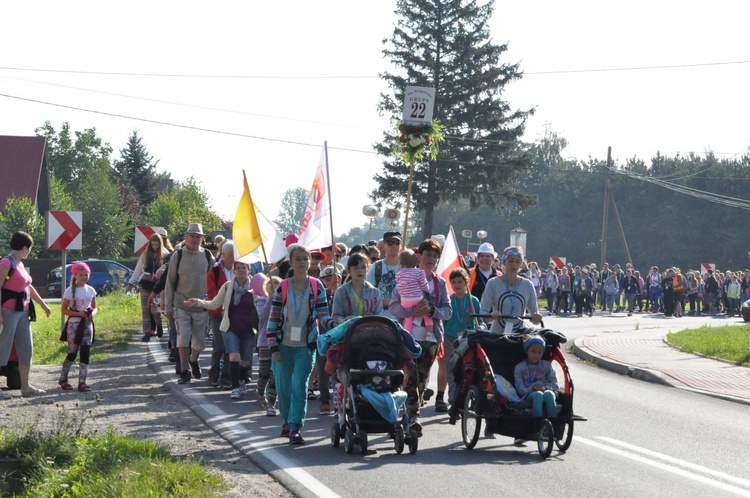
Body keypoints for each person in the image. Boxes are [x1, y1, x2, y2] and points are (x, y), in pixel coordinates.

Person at [267, 245, 331, 445]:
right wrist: (273, 346)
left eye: (306, 258)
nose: (303, 262)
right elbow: (274, 316)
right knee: (284, 388)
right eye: (299, 259)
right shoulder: (283, 287)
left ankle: (295, 426)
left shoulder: (316, 286)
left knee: (300, 385)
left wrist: (334, 323)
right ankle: (287, 421)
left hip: (306, 345)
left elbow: (323, 314)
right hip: (283, 345)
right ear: (291, 262)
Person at [389, 239, 452, 436]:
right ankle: (412, 417)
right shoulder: (404, 277)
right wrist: (410, 310)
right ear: (419, 257)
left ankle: (409, 415)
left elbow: (447, 311)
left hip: (431, 339)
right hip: (408, 337)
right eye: (428, 255)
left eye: (435, 256)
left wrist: (431, 310)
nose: (431, 259)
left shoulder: (439, 283)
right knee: (410, 376)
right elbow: (393, 306)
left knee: (422, 379)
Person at [185, 261, 257, 400]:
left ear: (248, 271)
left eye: (244, 268)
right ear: (234, 271)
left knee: (245, 361)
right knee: (233, 357)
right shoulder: (228, 286)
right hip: (230, 328)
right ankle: (235, 387)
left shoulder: (255, 287)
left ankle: (242, 381)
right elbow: (214, 303)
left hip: (249, 330)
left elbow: (263, 303)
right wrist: (199, 302)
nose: (241, 271)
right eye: (238, 268)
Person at [0, 231, 51, 397]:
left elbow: (28, 287)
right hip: (8, 311)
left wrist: (43, 305)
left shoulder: (20, 264)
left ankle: (25, 386)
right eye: (29, 248)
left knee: (26, 348)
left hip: (23, 312)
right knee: (3, 348)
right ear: (24, 247)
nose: (29, 251)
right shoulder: (6, 263)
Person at [164, 223, 216, 385]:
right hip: (181, 305)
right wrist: (168, 306)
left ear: (202, 239)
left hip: (201, 306)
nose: (194, 239)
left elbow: (214, 282)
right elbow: (170, 282)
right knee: (183, 337)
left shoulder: (208, 256)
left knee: (199, 342)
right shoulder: (177, 256)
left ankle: (194, 359)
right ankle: (185, 370)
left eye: (198, 236)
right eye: (192, 236)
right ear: (186, 237)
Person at [442, 268, 485, 411]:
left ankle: (468, 397)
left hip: (469, 339)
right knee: (452, 369)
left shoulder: (473, 301)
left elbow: (480, 320)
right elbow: (444, 321)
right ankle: (453, 399)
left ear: (466, 282)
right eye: (453, 282)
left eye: (460, 281)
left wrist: (482, 327)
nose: (456, 285)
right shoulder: (449, 300)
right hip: (451, 339)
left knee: (469, 369)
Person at [480, 246, 542, 334]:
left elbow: (535, 318)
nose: (514, 265)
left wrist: (536, 317)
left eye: (518, 261)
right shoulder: (493, 283)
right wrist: (492, 315)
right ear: (504, 262)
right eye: (511, 261)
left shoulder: (528, 285)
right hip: (497, 336)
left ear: (521, 264)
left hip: (519, 336)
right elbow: (483, 315)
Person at [59, 262, 98, 392]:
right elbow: (63, 310)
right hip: (74, 324)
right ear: (75, 275)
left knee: (85, 352)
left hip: (87, 324)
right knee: (72, 352)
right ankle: (63, 378)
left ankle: (82, 382)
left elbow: (95, 307)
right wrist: (79, 314)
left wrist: (92, 313)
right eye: (81, 275)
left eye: (86, 275)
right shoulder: (69, 291)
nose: (84, 277)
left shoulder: (91, 290)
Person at [127, 233, 168, 342]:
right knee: (145, 310)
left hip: (158, 286)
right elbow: (137, 270)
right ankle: (147, 333)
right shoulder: (145, 255)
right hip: (145, 285)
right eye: (153, 245)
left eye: (157, 245)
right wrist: (130, 283)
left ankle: (158, 325)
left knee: (155, 310)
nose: (154, 247)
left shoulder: (165, 254)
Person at [206, 241, 236, 388]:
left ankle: (226, 380)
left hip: (234, 314)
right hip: (218, 313)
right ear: (223, 255)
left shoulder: (240, 269)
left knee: (230, 347)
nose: (233, 258)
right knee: (219, 346)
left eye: (235, 255)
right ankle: (213, 375)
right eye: (231, 256)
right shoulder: (215, 271)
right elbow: (211, 293)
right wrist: (223, 300)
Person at [514, 335, 558, 417]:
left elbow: (554, 383)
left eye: (539, 352)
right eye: (533, 351)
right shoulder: (519, 367)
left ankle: (553, 421)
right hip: (529, 394)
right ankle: (537, 422)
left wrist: (546, 388)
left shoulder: (546, 365)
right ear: (527, 351)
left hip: (545, 390)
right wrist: (531, 389)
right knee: (538, 394)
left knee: (549, 394)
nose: (536, 355)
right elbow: (519, 388)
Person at [256, 275, 280, 417]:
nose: (274, 286)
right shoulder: (261, 300)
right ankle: (259, 392)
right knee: (264, 373)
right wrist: (271, 298)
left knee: (274, 375)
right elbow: (264, 315)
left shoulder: (284, 301)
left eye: (277, 284)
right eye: (271, 284)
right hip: (265, 342)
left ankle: (272, 404)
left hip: (278, 342)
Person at [366, 231, 401, 319]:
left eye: (397, 242)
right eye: (390, 242)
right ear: (384, 245)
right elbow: (367, 295)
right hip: (380, 319)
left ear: (401, 245)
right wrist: (382, 302)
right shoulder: (375, 268)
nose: (394, 245)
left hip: (402, 320)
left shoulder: (408, 267)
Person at [394, 249, 431, 334]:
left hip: (404, 301)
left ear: (401, 263)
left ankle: (407, 335)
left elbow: (399, 288)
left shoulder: (398, 274)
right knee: (426, 315)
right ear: (416, 262)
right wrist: (426, 289)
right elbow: (424, 286)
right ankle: (430, 334)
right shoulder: (419, 272)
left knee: (408, 319)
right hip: (418, 299)